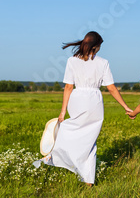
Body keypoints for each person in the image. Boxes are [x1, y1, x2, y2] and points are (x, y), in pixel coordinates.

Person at [34, 31, 132, 185]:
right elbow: (111, 88)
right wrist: (126, 107)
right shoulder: (103, 62)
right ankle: (87, 179)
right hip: (94, 101)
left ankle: (55, 153)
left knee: (70, 127)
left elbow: (68, 87)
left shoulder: (72, 61)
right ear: (96, 46)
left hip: (77, 98)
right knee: (90, 141)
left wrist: (62, 111)